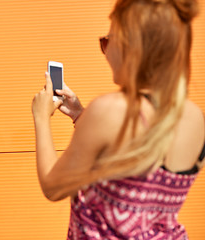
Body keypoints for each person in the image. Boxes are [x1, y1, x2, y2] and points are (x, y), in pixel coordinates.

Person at [32, 0, 204, 239]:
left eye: (106, 41)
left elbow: (53, 187)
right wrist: (79, 114)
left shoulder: (108, 110)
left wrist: (41, 116)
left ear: (130, 45)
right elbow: (133, 160)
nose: (105, 51)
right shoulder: (195, 118)